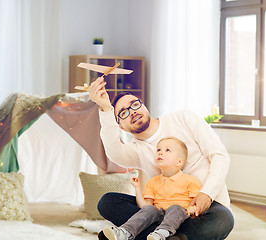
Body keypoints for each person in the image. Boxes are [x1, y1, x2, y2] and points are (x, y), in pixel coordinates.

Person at [89, 77, 234, 240]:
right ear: (121, 126)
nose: (132, 111)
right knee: (107, 202)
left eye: (135, 104)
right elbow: (114, 152)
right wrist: (106, 109)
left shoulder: (183, 118)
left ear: (143, 105)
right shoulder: (136, 150)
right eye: (124, 113)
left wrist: (206, 194)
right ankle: (171, 236)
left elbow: (220, 156)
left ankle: (145, 234)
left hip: (205, 206)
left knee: (224, 219)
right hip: (163, 211)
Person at [103, 137, 202, 240]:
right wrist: (137, 188)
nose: (160, 153)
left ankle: (162, 234)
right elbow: (145, 207)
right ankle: (125, 232)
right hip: (159, 217)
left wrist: (192, 208)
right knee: (150, 209)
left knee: (175, 208)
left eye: (167, 150)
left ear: (179, 162)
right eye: (158, 150)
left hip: (181, 217)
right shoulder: (152, 182)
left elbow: (198, 204)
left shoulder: (190, 181)